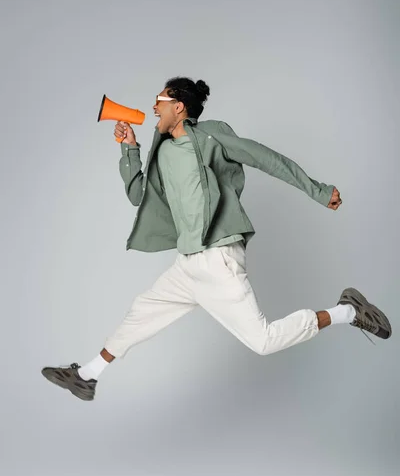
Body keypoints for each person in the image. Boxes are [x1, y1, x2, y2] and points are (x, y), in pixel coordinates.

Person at [41, 77, 392, 401]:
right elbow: (139, 196)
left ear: (179, 106)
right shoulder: (162, 153)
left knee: (264, 341)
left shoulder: (209, 137)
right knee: (140, 314)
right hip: (189, 263)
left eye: (159, 101)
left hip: (218, 258)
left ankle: (349, 311)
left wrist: (318, 190)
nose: (153, 108)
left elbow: (267, 158)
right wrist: (129, 150)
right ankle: (88, 376)